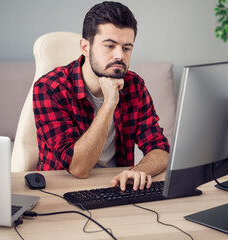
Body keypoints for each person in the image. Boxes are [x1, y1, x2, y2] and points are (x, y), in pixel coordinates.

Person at [33, 1, 170, 191]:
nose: (119, 56)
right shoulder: (49, 88)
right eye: (110, 46)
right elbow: (78, 168)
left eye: (127, 48)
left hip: (117, 188)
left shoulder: (134, 85)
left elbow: (160, 149)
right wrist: (109, 104)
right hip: (62, 192)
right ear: (85, 47)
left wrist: (139, 171)